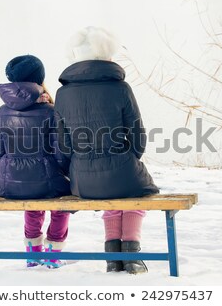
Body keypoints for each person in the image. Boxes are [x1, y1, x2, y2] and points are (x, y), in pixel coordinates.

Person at [54, 27, 159, 274]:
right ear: (107, 55)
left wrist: (83, 161)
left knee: (119, 184)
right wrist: (126, 157)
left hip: (83, 182)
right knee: (131, 188)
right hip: (122, 170)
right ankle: (131, 255)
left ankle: (112, 257)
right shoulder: (121, 88)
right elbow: (138, 137)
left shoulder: (62, 93)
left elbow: (64, 144)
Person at [0, 55, 71, 268]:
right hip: (45, 181)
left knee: (33, 200)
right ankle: (52, 256)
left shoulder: (2, 111)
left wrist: (12, 167)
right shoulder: (51, 111)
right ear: (40, 78)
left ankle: (33, 255)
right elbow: (61, 153)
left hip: (10, 183)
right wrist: (63, 171)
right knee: (61, 200)